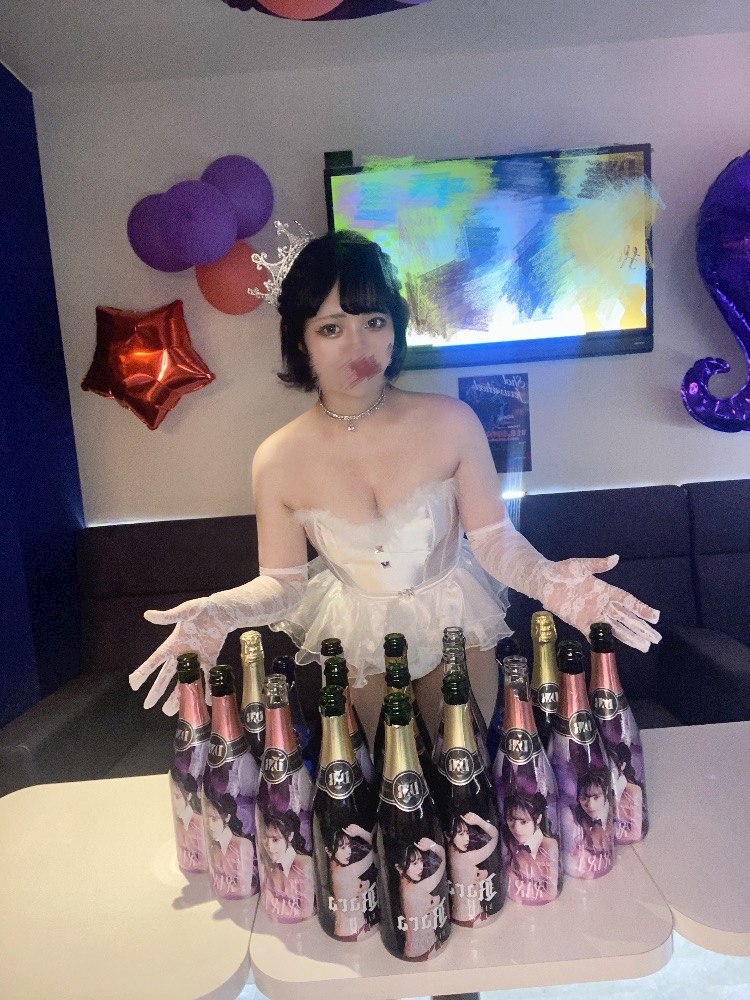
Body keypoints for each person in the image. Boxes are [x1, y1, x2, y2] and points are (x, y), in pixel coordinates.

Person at [128, 230, 661, 740]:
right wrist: (221, 611)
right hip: (356, 634)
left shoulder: (452, 422)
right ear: (301, 340)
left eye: (374, 321)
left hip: (455, 618)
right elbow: (283, 584)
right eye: (331, 328)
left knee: (463, 767)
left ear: (395, 330)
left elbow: (494, 539)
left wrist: (547, 580)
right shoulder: (277, 458)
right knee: (381, 777)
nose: (358, 344)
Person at [257, 807, 316, 923]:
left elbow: (306, 910)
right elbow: (270, 903)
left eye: (275, 840)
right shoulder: (269, 865)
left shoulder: (304, 864)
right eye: (265, 838)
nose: (269, 846)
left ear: (289, 836)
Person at [502, 789, 560, 904]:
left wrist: (517, 882)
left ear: (538, 819)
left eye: (523, 822)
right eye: (511, 819)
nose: (516, 828)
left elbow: (550, 893)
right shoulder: (511, 842)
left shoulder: (549, 845)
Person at [394, 838, 448, 960]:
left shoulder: (404, 888)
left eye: (421, 861)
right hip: (422, 952)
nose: (420, 867)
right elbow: (444, 860)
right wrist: (433, 846)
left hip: (421, 949)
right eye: (414, 863)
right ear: (399, 868)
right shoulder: (416, 889)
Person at [323, 823, 378, 940]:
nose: (348, 851)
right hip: (352, 933)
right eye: (342, 848)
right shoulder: (343, 872)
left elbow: (350, 886)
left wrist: (365, 884)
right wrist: (360, 832)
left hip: (350, 930)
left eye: (348, 846)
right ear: (329, 851)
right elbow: (377, 848)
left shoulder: (335, 871)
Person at [445, 811, 501, 925]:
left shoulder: (452, 855)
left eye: (467, 833)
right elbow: (494, 836)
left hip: (463, 915)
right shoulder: (465, 858)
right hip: (471, 917)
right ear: (448, 835)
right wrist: (480, 822)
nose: (467, 838)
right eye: (460, 834)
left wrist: (481, 873)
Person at [203, 792, 257, 900]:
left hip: (244, 903)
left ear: (227, 817)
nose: (210, 825)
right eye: (207, 818)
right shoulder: (214, 847)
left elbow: (245, 887)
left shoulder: (243, 844)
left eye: (214, 819)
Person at [563, 767, 614, 878]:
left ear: (605, 793)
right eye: (584, 798)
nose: (590, 805)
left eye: (596, 797)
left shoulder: (610, 816)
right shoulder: (576, 819)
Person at [610, 741, 645, 843]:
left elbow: (635, 834)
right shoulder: (598, 792)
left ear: (622, 766)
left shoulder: (633, 791)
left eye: (611, 768)